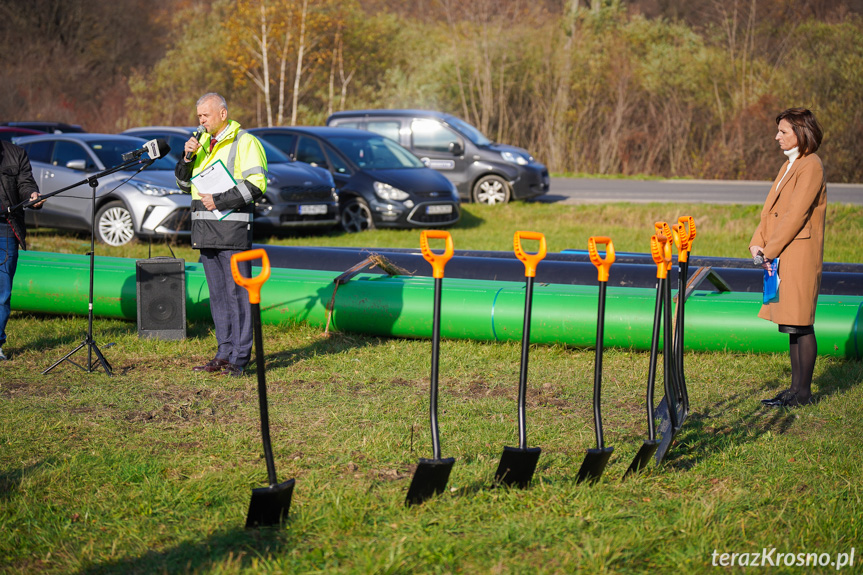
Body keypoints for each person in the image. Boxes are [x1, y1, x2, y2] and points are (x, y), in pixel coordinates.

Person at [175, 93, 268, 377]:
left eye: (206, 115)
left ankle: (240, 357)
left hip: (232, 231)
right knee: (217, 297)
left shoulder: (246, 142)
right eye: (199, 116)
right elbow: (182, 183)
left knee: (237, 295)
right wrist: (187, 156)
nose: (201, 121)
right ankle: (224, 352)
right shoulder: (200, 142)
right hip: (205, 231)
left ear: (223, 114)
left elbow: (257, 184)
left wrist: (220, 200)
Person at [750, 108, 826, 407]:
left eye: (783, 131)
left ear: (801, 132)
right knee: (791, 324)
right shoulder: (789, 165)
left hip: (799, 253)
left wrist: (769, 251)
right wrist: (757, 243)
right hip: (783, 252)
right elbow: (771, 212)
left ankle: (803, 393)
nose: (777, 136)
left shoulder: (811, 165)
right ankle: (794, 390)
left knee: (801, 323)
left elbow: (795, 216)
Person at [0, 139, 43, 361]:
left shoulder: (16, 154)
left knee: (2, 292)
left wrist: (32, 196)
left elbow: (25, 183)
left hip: (5, 229)